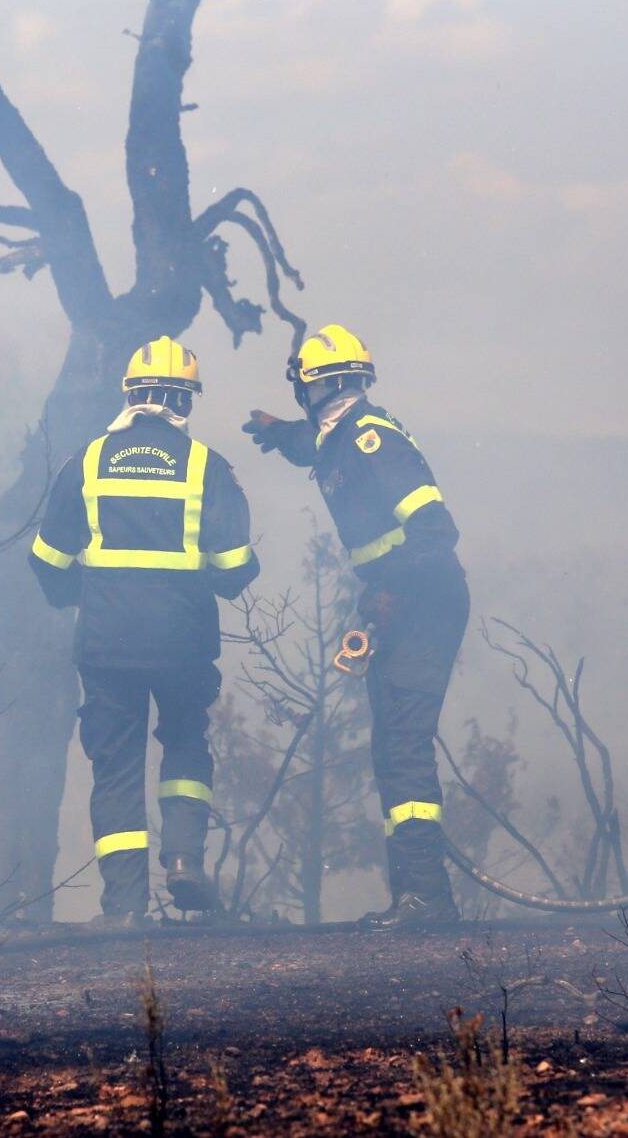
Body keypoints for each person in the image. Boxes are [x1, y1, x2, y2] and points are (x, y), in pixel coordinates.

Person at [243, 324, 469, 928]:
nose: (302, 398)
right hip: (401, 603)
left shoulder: (373, 440)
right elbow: (317, 447)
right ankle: (417, 896)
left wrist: (393, 590)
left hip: (425, 604)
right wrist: (278, 434)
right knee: (391, 746)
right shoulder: (340, 437)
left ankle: (426, 899)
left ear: (324, 386)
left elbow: (436, 531)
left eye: (305, 388)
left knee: (404, 744)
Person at [28, 336, 259, 926]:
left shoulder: (85, 461)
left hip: (107, 647)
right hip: (182, 643)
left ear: (129, 394)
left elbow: (46, 561)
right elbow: (235, 572)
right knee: (184, 744)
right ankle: (183, 860)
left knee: (117, 768)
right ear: (187, 400)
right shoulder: (208, 467)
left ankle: (124, 908)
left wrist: (85, 598)